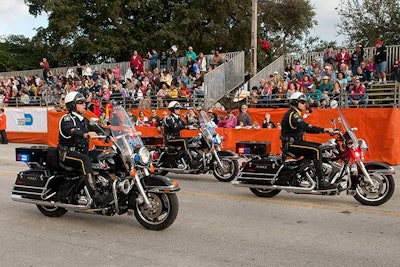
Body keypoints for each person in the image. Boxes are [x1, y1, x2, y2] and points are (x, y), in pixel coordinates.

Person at [58, 92, 111, 207]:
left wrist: (110, 133)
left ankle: (108, 185)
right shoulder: (67, 119)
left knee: (104, 155)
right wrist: (85, 135)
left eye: (84, 102)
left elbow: (98, 129)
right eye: (80, 103)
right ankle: (95, 194)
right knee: (85, 160)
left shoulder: (84, 120)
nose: (84, 105)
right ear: (72, 105)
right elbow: (71, 131)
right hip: (68, 153)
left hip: (82, 152)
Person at [280, 92, 335, 190]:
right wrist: (324, 130)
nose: (305, 104)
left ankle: (306, 173)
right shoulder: (292, 114)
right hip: (292, 144)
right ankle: (321, 182)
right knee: (317, 150)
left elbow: (304, 127)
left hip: (297, 142)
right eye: (302, 102)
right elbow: (305, 127)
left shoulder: (296, 113)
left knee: (322, 147)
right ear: (296, 102)